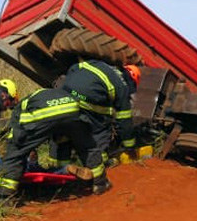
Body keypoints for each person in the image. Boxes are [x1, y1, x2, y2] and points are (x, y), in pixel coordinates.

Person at [0, 87, 104, 202]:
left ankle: (4, 197)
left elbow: (16, 138)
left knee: (15, 155)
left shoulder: (21, 107)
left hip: (43, 114)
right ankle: (100, 183)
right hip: (71, 110)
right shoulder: (63, 92)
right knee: (87, 147)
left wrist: (15, 150)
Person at [49, 58, 139, 190]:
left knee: (63, 133)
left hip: (65, 94)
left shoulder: (99, 64)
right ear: (131, 80)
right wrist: (129, 146)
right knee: (100, 128)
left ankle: (58, 174)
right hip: (86, 101)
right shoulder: (121, 85)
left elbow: (74, 67)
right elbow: (124, 120)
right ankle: (99, 172)